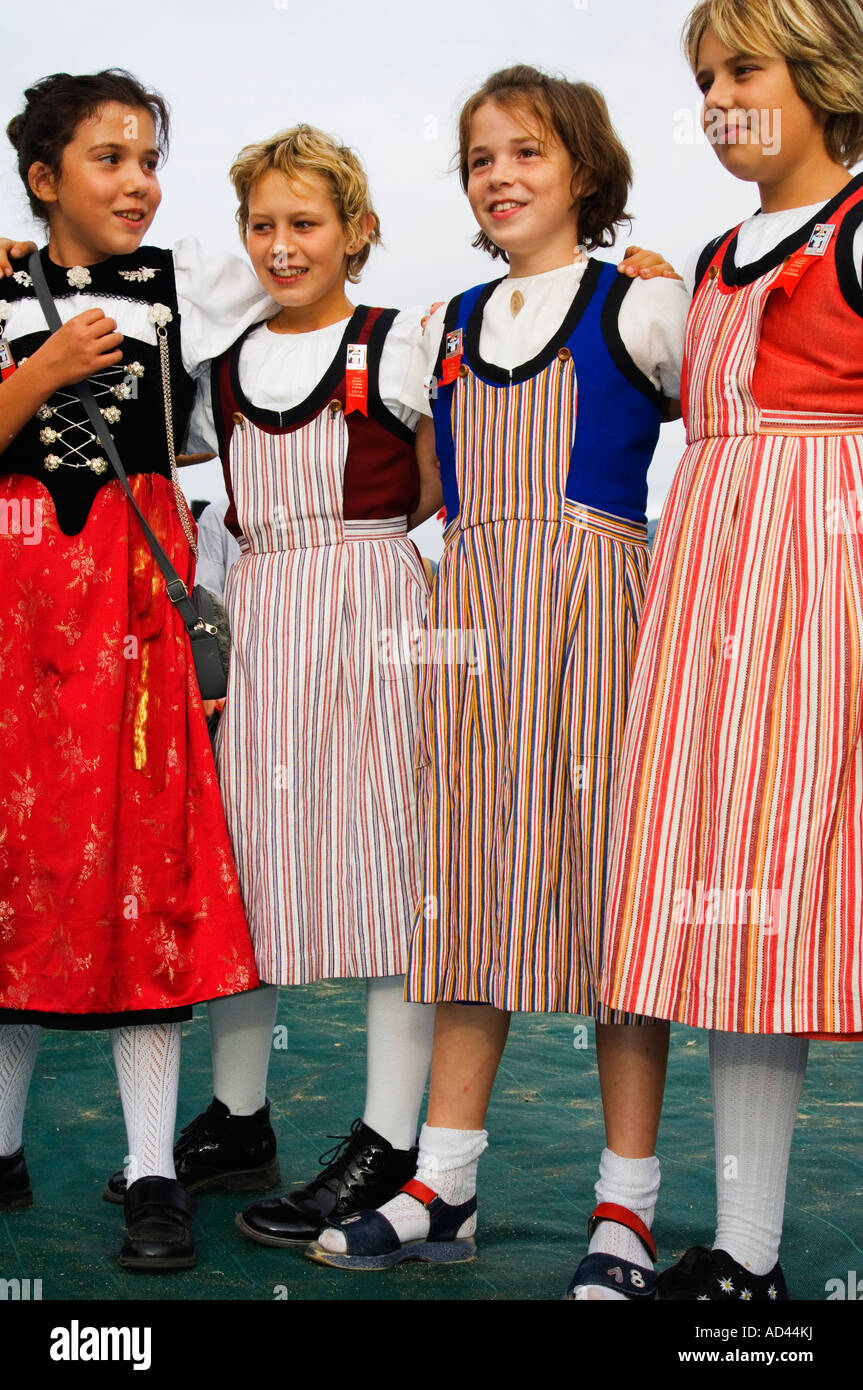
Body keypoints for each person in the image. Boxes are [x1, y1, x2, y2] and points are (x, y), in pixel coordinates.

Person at [308, 64, 689, 1274]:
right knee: (467, 904)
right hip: (471, 636)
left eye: (527, 152)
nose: (502, 175)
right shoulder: (442, 329)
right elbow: (403, 490)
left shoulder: (639, 307)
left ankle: (623, 1205)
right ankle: (444, 1186)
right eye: (481, 160)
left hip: (597, 626)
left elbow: (739, 418)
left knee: (607, 915)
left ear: (583, 169)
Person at [129, 123, 445, 1250]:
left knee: (389, 866)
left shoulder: (398, 344)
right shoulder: (223, 365)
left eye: (304, 222)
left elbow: (445, 470)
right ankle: (239, 1114)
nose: (280, 243)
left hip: (371, 610)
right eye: (260, 224)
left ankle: (389, 1138)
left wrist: (358, 560)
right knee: (245, 863)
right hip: (262, 616)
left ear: (356, 231)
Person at [591, 0, 863, 1300]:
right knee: (738, 907)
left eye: (740, 67)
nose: (714, 95)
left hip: (823, 596)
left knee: (812, 889)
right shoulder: (705, 260)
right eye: (701, 75)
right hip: (711, 601)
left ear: (820, 73)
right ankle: (741, 1252)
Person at [0, 70, 265, 1269]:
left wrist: (595, 259)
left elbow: (311, 236)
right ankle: (0, 1147)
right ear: (44, 179)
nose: (139, 181)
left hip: (134, 619)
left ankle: (153, 1171)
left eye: (148, 156)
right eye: (107, 159)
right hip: (13, 616)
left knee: (143, 861)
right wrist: (43, 370)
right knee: (17, 871)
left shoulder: (181, 286)